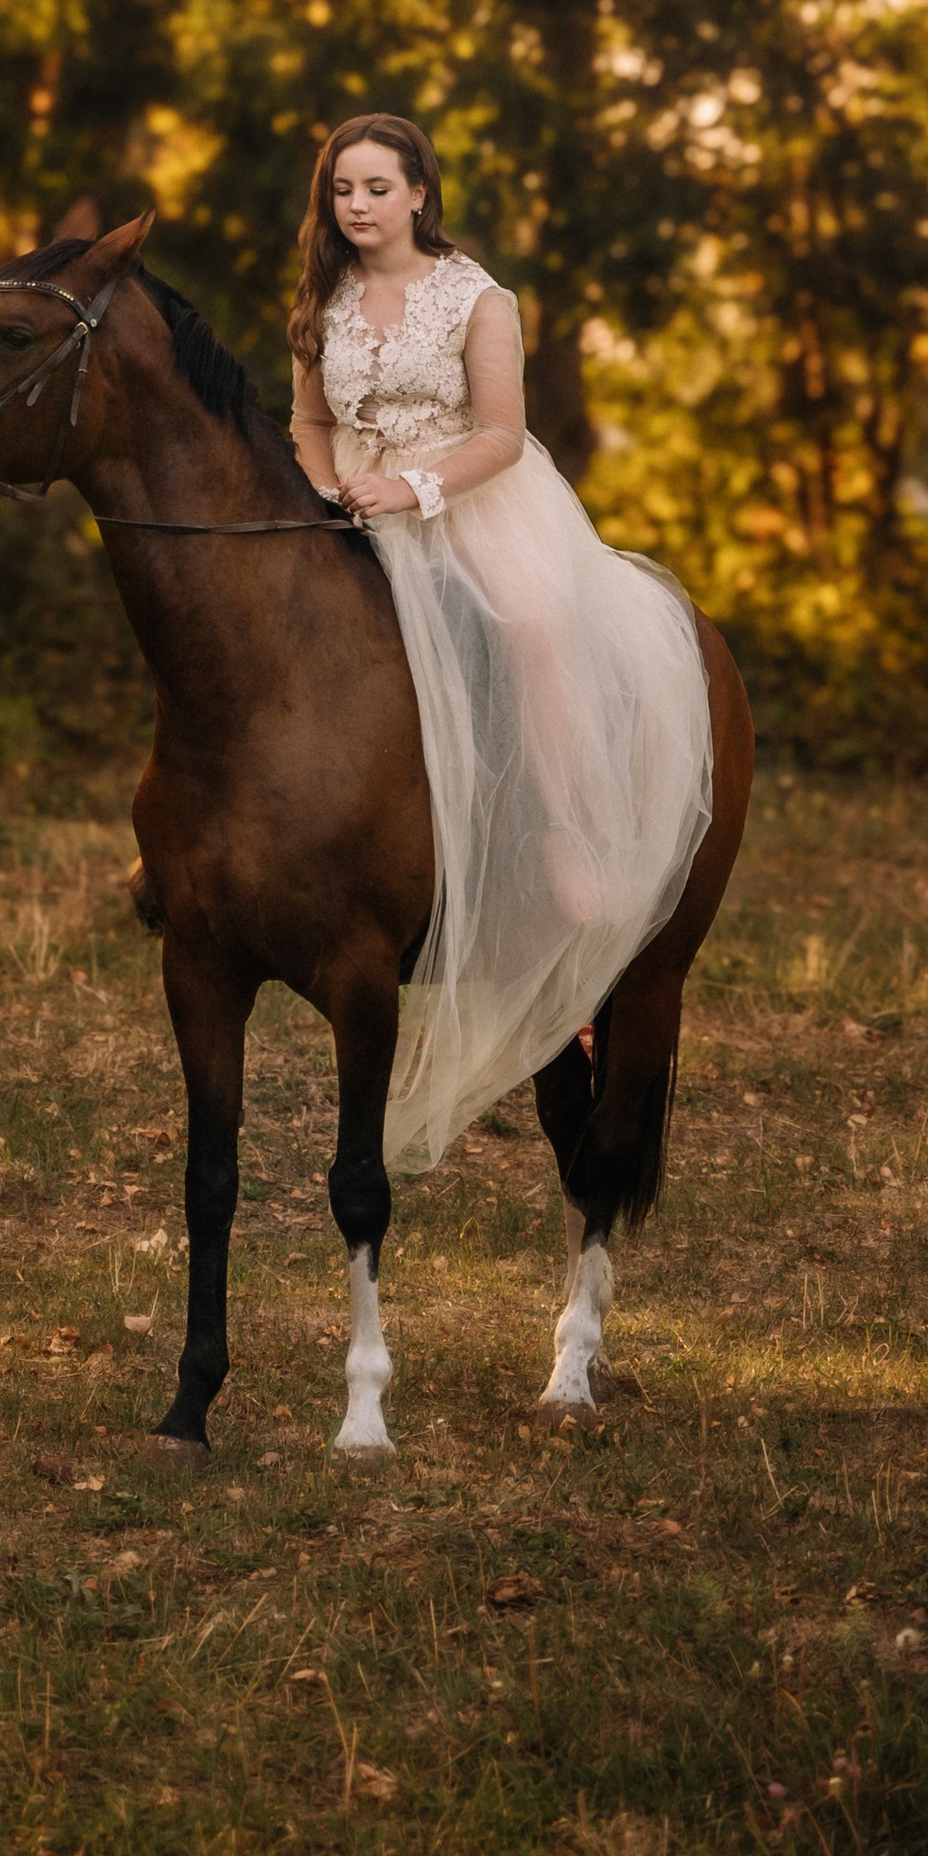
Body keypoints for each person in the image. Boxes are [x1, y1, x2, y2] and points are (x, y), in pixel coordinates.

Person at [287, 111, 714, 1172]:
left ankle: (561, 826)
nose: (357, 206)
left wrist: (411, 486)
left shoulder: (477, 299)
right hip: (353, 507)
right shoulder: (323, 301)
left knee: (524, 624)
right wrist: (322, 493)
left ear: (420, 195)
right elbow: (302, 421)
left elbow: (500, 434)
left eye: (377, 188)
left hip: (464, 502)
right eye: (343, 189)